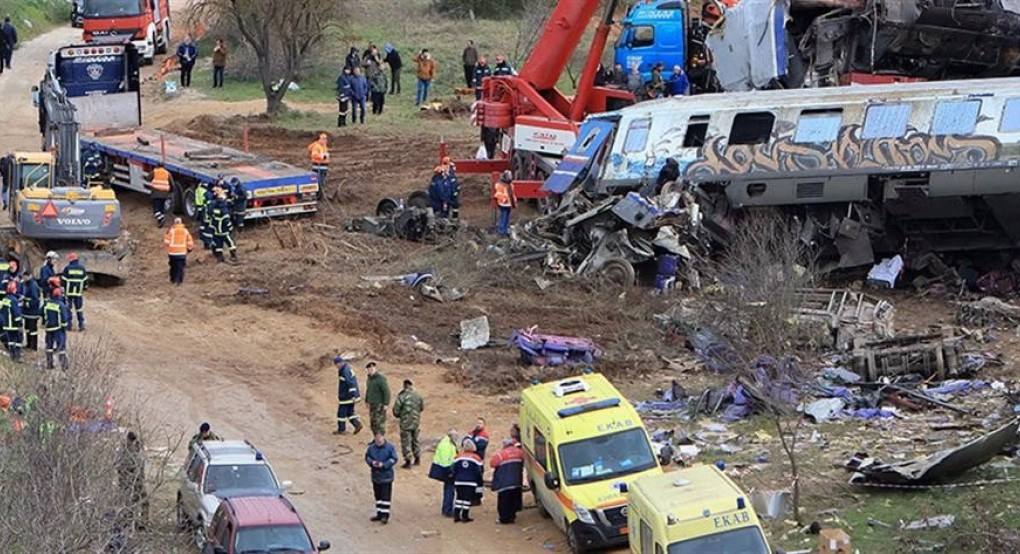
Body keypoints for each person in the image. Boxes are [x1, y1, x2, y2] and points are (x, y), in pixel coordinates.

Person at [117, 431, 149, 530]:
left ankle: (142, 523)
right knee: (130, 504)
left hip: (138, 481)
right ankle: (129, 524)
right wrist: (128, 479)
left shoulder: (133, 450)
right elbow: (122, 469)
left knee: (144, 502)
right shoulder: (125, 453)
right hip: (129, 483)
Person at [365, 433, 398, 524]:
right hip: (376, 476)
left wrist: (384, 465)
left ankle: (385, 516)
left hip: (386, 477)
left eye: (380, 439)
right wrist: (372, 463)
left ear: (383, 438)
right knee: (378, 496)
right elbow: (367, 457)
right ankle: (379, 514)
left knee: (385, 497)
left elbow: (394, 459)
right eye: (377, 440)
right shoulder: (371, 448)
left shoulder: (390, 447)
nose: (379, 441)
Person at [490, 438, 524, 524]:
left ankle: (504, 519)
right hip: (516, 482)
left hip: (504, 483)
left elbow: (492, 464)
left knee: (504, 503)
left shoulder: (501, 454)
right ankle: (512, 517)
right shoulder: (519, 452)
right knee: (513, 501)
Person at [391, 379, 424, 469]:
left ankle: (408, 461)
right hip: (416, 422)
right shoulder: (418, 395)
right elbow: (422, 407)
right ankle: (417, 458)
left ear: (404, 386)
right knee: (415, 440)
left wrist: (402, 415)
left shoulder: (402, 396)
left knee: (406, 442)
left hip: (405, 423)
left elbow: (395, 411)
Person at [452, 438, 483, 523]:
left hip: (458, 481)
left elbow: (453, 469)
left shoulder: (458, 456)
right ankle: (465, 516)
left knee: (459, 498)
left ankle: (456, 515)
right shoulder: (476, 458)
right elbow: (479, 472)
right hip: (471, 482)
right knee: (467, 499)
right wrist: (479, 483)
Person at [429, 429, 458, 517]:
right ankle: (447, 510)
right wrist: (450, 471)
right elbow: (446, 460)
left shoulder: (448, 442)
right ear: (451, 436)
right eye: (456, 436)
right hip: (446, 470)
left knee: (448, 490)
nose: (457, 437)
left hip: (445, 469)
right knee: (449, 490)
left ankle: (447, 509)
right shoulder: (446, 444)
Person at [334, 356, 364, 435]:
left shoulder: (345, 371)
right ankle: (357, 424)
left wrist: (353, 395)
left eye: (336, 364)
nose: (336, 367)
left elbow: (350, 383)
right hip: (350, 396)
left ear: (339, 363)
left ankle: (341, 429)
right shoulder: (346, 369)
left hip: (347, 397)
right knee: (349, 412)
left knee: (341, 414)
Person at [43, 287, 70, 370]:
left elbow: (41, 312)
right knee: (61, 347)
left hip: (49, 329)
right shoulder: (61, 305)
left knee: (49, 347)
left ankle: (49, 364)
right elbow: (64, 318)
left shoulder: (47, 303)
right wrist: (64, 327)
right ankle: (63, 365)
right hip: (58, 330)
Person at [164, 217, 194, 285]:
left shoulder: (171, 230)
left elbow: (166, 242)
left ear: (174, 223)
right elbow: (190, 241)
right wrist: (189, 249)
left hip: (172, 253)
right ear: (181, 223)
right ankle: (179, 281)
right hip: (182, 253)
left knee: (173, 267)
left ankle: (173, 279)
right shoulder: (185, 231)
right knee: (180, 267)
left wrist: (169, 248)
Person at [61, 253, 87, 331]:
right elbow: (85, 280)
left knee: (68, 309)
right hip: (78, 293)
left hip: (69, 293)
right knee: (79, 309)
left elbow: (63, 281)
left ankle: (69, 325)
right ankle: (81, 325)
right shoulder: (82, 268)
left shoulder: (67, 268)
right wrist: (84, 288)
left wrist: (63, 289)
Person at [209, 193, 237, 263]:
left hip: (217, 231)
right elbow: (226, 220)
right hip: (224, 231)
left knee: (218, 245)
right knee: (230, 243)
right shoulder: (224, 208)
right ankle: (233, 256)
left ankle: (220, 258)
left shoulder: (215, 207)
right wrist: (230, 228)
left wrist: (212, 228)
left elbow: (212, 218)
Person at [365, 362, 391, 436]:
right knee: (373, 423)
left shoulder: (380, 379)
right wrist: (367, 401)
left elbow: (386, 391)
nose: (371, 369)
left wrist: (386, 403)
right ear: (367, 370)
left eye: (373, 368)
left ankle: (381, 439)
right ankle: (375, 439)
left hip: (379, 404)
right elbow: (368, 390)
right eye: (370, 368)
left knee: (379, 423)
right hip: (372, 404)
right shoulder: (369, 379)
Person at [0, 281, 22, 362]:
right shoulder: (14, 300)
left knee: (11, 340)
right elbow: (16, 314)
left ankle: (12, 355)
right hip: (13, 324)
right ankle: (18, 355)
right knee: (19, 339)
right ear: (14, 290)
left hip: (6, 324)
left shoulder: (4, 299)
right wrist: (20, 324)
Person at [21, 270, 40, 352]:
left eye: (25, 276)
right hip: (27, 312)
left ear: (29, 276)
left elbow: (35, 299)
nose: (24, 278)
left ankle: (34, 346)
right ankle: (28, 344)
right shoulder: (26, 284)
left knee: (33, 330)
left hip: (32, 312)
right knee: (27, 328)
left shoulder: (33, 285)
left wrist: (26, 304)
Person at [493, 170, 516, 237]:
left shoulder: (510, 184)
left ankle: (504, 231)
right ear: (506, 176)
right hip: (503, 204)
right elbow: (498, 194)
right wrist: (504, 200)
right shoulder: (500, 185)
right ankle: (501, 232)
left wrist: (514, 201)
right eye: (510, 175)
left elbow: (512, 194)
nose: (511, 176)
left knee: (506, 218)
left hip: (508, 204)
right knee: (503, 218)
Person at [194, 181, 213, 249]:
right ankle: (208, 243)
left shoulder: (198, 190)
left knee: (203, 226)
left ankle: (203, 239)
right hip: (205, 212)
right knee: (208, 229)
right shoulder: (207, 193)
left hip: (200, 209)